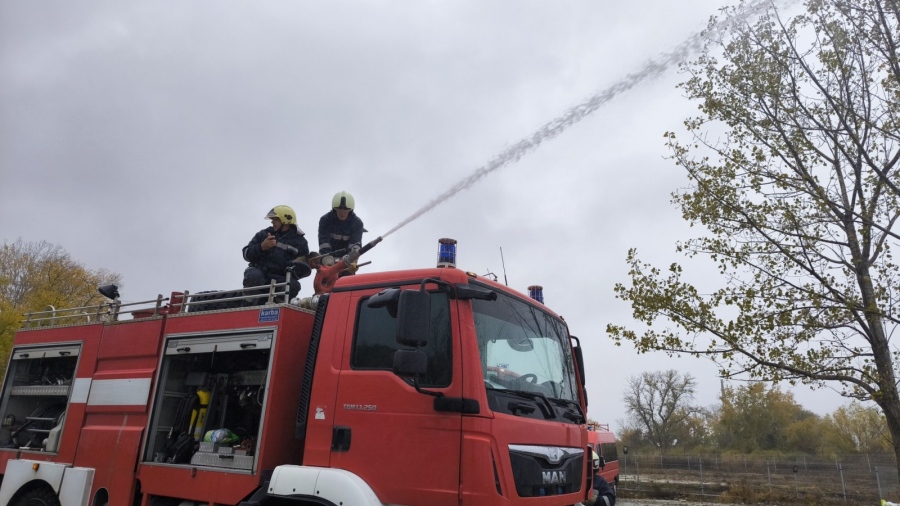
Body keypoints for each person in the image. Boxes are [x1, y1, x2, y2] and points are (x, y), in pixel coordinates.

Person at [242, 205, 311, 303]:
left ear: (285, 220)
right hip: (260, 272)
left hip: (280, 277)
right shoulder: (263, 234)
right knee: (254, 276)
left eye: (276, 219)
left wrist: (305, 264)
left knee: (294, 285)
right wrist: (261, 247)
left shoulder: (300, 242)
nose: (272, 222)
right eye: (272, 219)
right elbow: (246, 254)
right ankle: (249, 306)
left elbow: (303, 268)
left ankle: (276, 308)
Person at [318, 191, 365, 257]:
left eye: (346, 211)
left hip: (348, 258)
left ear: (351, 211)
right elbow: (324, 244)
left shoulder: (357, 223)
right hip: (328, 257)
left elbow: (355, 246)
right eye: (339, 210)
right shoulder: (325, 220)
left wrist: (349, 259)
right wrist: (327, 258)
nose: (342, 213)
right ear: (334, 209)